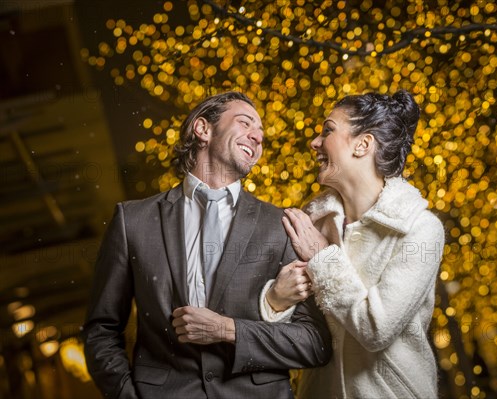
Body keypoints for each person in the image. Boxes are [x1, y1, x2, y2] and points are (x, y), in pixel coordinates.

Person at [82, 91, 332, 399]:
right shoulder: (132, 220)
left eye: (262, 135)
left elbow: (314, 342)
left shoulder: (281, 225)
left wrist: (230, 330)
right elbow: (101, 330)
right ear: (203, 129)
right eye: (245, 123)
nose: (257, 137)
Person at [262, 91, 445, 398]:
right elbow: (297, 326)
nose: (315, 143)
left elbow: (376, 329)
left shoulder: (420, 229)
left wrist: (321, 257)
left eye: (328, 131)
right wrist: (275, 300)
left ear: (363, 144)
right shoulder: (312, 222)